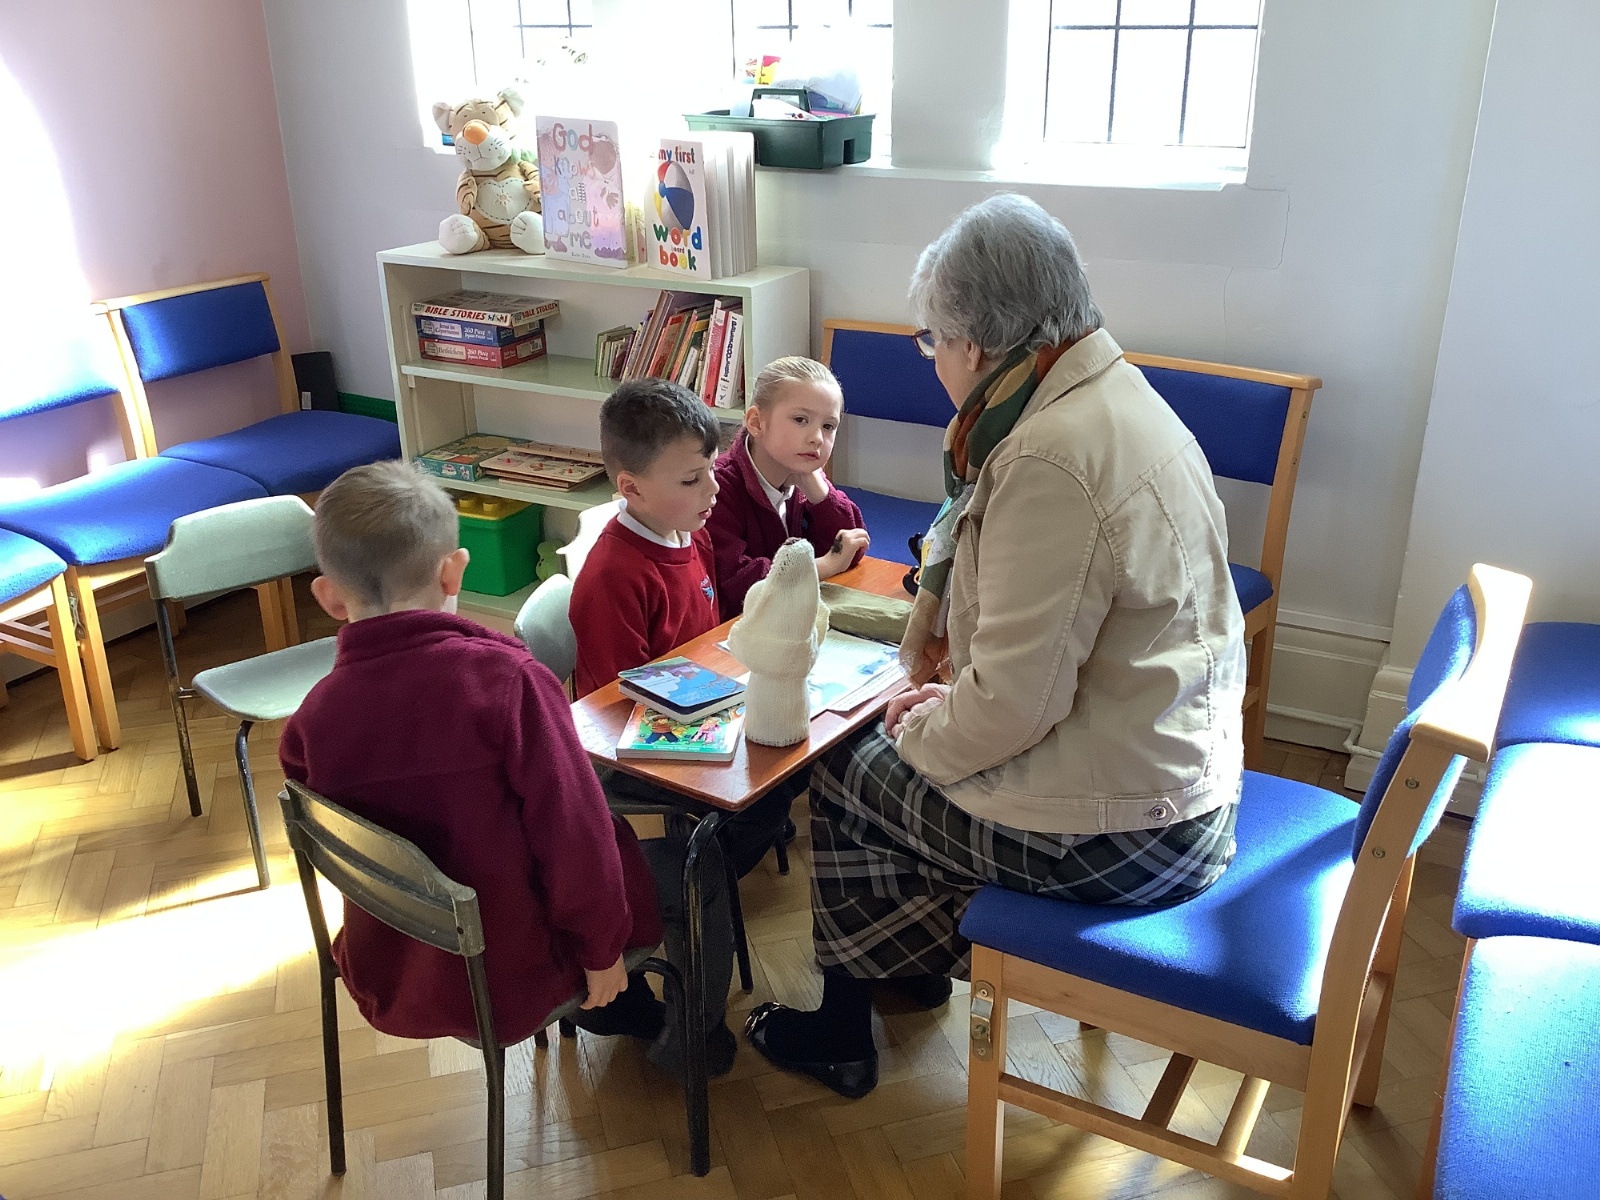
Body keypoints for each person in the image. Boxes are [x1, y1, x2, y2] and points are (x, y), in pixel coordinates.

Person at [744, 193, 1248, 1099]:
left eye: (931, 341)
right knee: (899, 744)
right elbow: (1054, 666)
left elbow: (1016, 704)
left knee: (847, 761)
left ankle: (840, 1030)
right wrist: (951, 709)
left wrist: (923, 728)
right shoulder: (1118, 395)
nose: (934, 359)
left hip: (1128, 838)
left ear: (973, 345)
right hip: (1179, 779)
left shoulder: (1049, 457)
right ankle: (907, 966)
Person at [279, 461, 736, 1076]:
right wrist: (601, 951)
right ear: (454, 569)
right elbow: (573, 833)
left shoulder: (310, 720)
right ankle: (691, 1043)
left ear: (330, 596)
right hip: (519, 967)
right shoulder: (508, 684)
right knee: (699, 865)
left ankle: (619, 1012)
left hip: (400, 965)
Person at [570, 377, 796, 881]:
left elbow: (708, 639)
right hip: (638, 740)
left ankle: (712, 850)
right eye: (692, 479)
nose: (713, 488)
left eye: (712, 469)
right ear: (632, 488)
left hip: (701, 705)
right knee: (767, 798)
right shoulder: (612, 576)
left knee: (796, 757)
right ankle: (688, 893)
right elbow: (617, 701)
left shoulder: (692, 533)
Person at [705, 356, 870, 620]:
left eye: (828, 426)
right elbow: (738, 583)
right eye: (800, 419)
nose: (817, 438)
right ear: (756, 423)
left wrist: (820, 493)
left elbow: (854, 545)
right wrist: (823, 566)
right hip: (738, 629)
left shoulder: (803, 474)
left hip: (789, 619)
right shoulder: (716, 487)